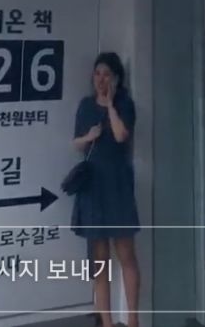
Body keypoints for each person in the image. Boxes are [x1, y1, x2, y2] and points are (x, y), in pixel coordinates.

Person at [71, 53, 140, 327]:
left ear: (116, 79)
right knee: (100, 260)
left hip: (117, 186)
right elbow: (76, 143)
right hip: (93, 187)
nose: (101, 79)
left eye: (107, 74)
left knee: (126, 254)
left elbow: (122, 135)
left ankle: (133, 320)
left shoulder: (125, 105)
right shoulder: (85, 106)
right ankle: (107, 322)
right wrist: (89, 136)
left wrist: (110, 105)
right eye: (97, 73)